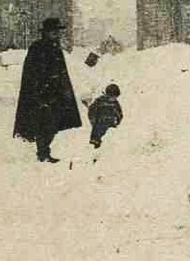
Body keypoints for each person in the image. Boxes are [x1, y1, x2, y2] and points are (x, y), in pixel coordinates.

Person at [13, 17, 81, 163]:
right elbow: (31, 72)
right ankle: (43, 153)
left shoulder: (56, 48)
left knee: (54, 124)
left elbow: (61, 72)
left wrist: (63, 90)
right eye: (53, 31)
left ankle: (43, 151)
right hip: (41, 93)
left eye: (57, 31)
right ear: (46, 32)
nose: (56, 34)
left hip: (56, 93)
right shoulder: (37, 47)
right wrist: (39, 92)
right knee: (44, 124)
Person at [88, 83, 124, 148]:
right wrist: (93, 121)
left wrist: (118, 121)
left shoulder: (115, 103)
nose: (114, 99)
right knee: (97, 138)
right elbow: (91, 111)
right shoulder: (99, 101)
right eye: (113, 97)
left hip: (110, 126)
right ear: (108, 94)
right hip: (99, 124)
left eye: (116, 97)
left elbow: (119, 114)